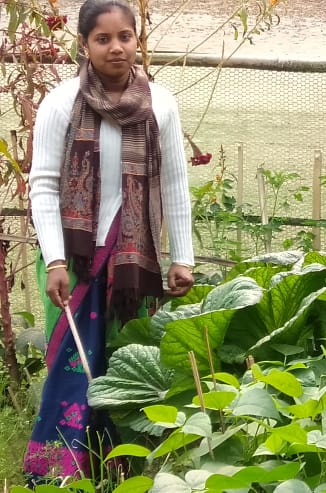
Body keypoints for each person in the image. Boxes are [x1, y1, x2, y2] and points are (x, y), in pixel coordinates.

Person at [23, 0, 194, 483]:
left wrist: (181, 257)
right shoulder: (61, 103)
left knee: (125, 362)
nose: (116, 47)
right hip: (73, 261)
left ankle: (122, 467)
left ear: (136, 41)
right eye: (103, 39)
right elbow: (45, 184)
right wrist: (55, 258)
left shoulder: (161, 103)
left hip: (134, 266)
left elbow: (175, 183)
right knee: (73, 363)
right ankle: (57, 471)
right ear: (84, 45)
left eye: (124, 36)